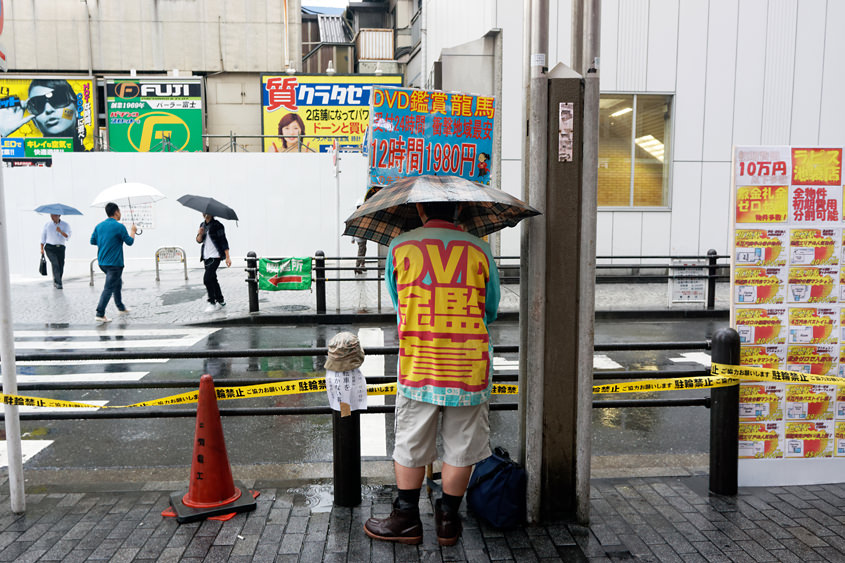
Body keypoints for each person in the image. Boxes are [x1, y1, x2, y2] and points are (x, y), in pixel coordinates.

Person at [364, 201, 500, 546]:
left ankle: (407, 519)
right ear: (460, 210)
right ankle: (447, 521)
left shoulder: (400, 246)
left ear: (420, 208)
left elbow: (399, 303)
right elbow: (492, 309)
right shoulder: (480, 248)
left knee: (410, 440)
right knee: (462, 445)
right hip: (469, 365)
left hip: (420, 361)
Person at [0, 79, 88, 151]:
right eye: (38, 104)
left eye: (58, 99)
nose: (48, 110)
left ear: (77, 108)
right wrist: (2, 133)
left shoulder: (95, 152)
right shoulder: (24, 153)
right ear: (34, 121)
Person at [90, 202, 136, 323]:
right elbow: (130, 242)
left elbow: (93, 241)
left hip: (102, 262)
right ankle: (100, 313)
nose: (120, 214)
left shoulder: (99, 226)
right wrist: (133, 231)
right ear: (116, 212)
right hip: (114, 263)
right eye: (119, 211)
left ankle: (120, 307)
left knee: (117, 282)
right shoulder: (119, 227)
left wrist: (105, 241)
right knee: (109, 288)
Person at [196, 213, 231, 312]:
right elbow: (198, 241)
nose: (205, 215)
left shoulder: (217, 225)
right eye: (203, 213)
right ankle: (221, 300)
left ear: (212, 214)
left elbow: (223, 241)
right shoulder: (202, 225)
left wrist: (227, 257)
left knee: (207, 279)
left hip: (216, 256)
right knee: (213, 279)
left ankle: (212, 302)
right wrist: (200, 233)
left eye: (207, 213)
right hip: (206, 257)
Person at [40, 213, 71, 289]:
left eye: (54, 215)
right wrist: (41, 249)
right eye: (51, 215)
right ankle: (58, 283)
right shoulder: (47, 225)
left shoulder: (65, 225)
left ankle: (57, 280)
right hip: (50, 247)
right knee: (55, 264)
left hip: (60, 247)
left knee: (61, 265)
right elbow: (43, 237)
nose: (52, 217)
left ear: (59, 215)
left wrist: (60, 231)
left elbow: (67, 236)